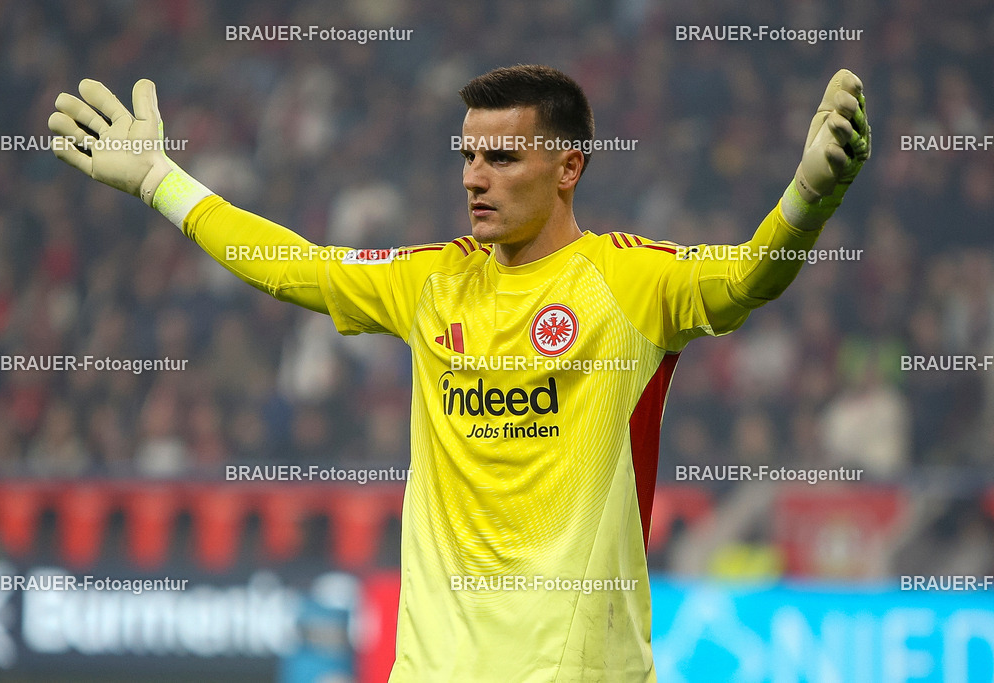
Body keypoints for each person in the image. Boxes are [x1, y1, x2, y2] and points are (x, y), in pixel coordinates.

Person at [48, 64, 870, 682]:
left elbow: (746, 277)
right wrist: (160, 179)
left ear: (569, 168)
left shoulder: (630, 281)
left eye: (502, 157)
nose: (475, 175)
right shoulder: (434, 280)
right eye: (469, 154)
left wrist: (808, 196)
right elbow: (293, 266)